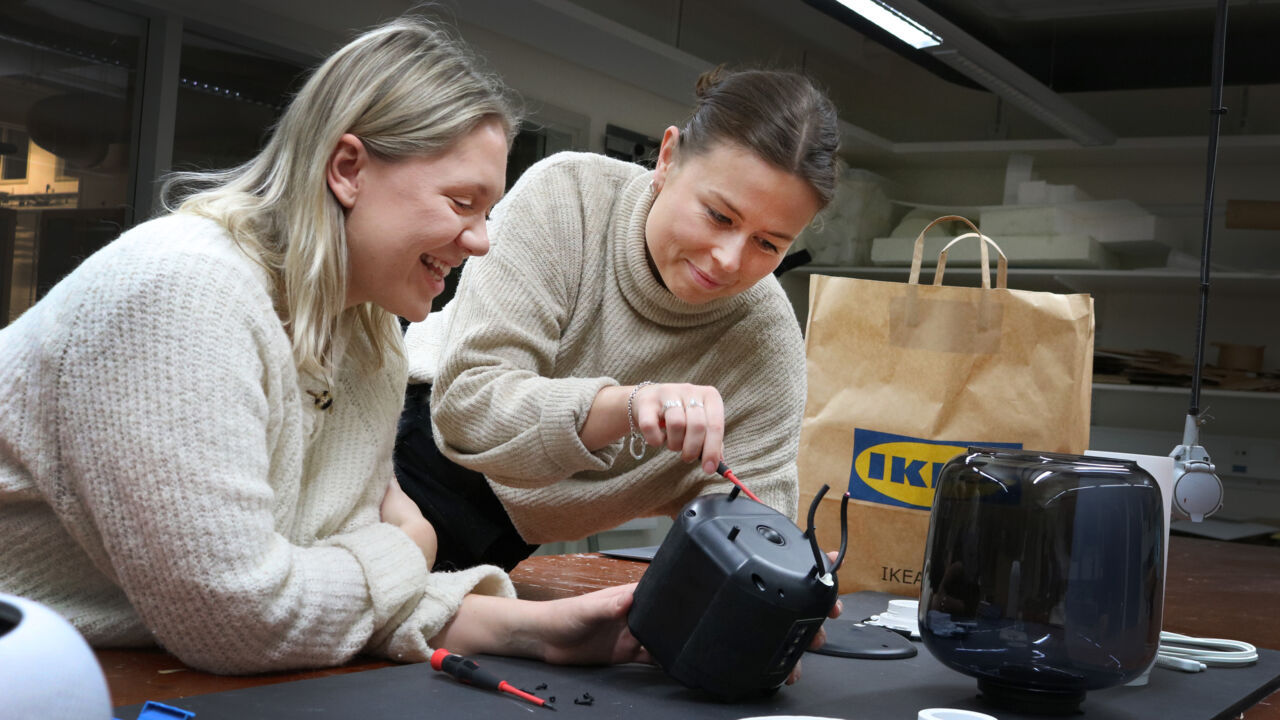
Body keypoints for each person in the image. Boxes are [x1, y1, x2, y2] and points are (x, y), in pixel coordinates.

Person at [0, 16, 647, 675]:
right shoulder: (181, 293)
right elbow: (236, 619)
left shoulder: (368, 338)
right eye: (461, 202)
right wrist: (409, 546)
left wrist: (539, 631)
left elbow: (324, 582)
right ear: (347, 169)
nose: (482, 240)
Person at [396, 67, 841, 572]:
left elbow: (753, 511)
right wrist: (629, 405)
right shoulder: (569, 197)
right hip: (415, 457)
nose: (729, 260)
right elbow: (470, 409)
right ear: (669, 158)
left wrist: (775, 584)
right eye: (720, 216)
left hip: (510, 534)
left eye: (768, 243)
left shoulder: (765, 340)